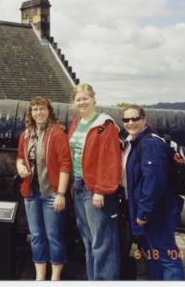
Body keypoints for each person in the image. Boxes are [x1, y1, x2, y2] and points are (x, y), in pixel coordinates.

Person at [121, 104, 185, 280]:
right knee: (153, 255)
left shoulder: (151, 144)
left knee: (168, 257)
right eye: (126, 119)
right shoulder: (135, 142)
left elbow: (154, 182)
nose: (130, 122)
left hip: (156, 211)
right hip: (147, 209)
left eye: (135, 118)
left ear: (144, 119)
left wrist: (144, 212)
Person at [68, 83, 121, 280]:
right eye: (78, 99)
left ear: (93, 99)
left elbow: (110, 159)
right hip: (78, 185)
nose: (82, 102)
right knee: (88, 240)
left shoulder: (104, 125)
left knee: (102, 242)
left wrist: (101, 190)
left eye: (85, 98)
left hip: (95, 189)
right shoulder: (76, 122)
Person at [16, 96, 71, 280]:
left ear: (49, 111)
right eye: (35, 109)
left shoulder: (57, 133)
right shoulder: (26, 134)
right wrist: (20, 167)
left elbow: (65, 164)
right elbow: (19, 157)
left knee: (53, 236)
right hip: (31, 193)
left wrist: (61, 194)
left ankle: (55, 278)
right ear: (30, 113)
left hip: (51, 193)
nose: (38, 112)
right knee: (37, 235)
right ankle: (40, 277)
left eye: (42, 109)